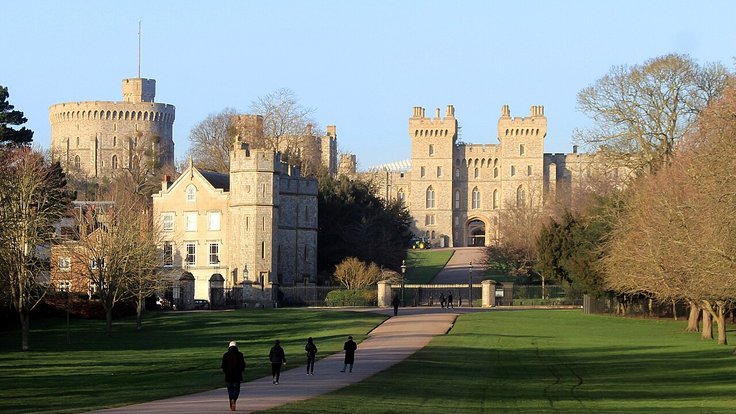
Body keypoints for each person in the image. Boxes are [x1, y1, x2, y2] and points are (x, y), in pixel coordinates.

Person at [221, 340, 245, 412]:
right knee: (236, 389)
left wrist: (225, 372)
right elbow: (242, 365)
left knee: (230, 390)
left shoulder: (226, 355)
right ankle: (234, 399)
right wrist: (241, 370)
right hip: (237, 376)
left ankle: (231, 404)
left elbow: (223, 366)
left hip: (228, 376)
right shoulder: (240, 354)